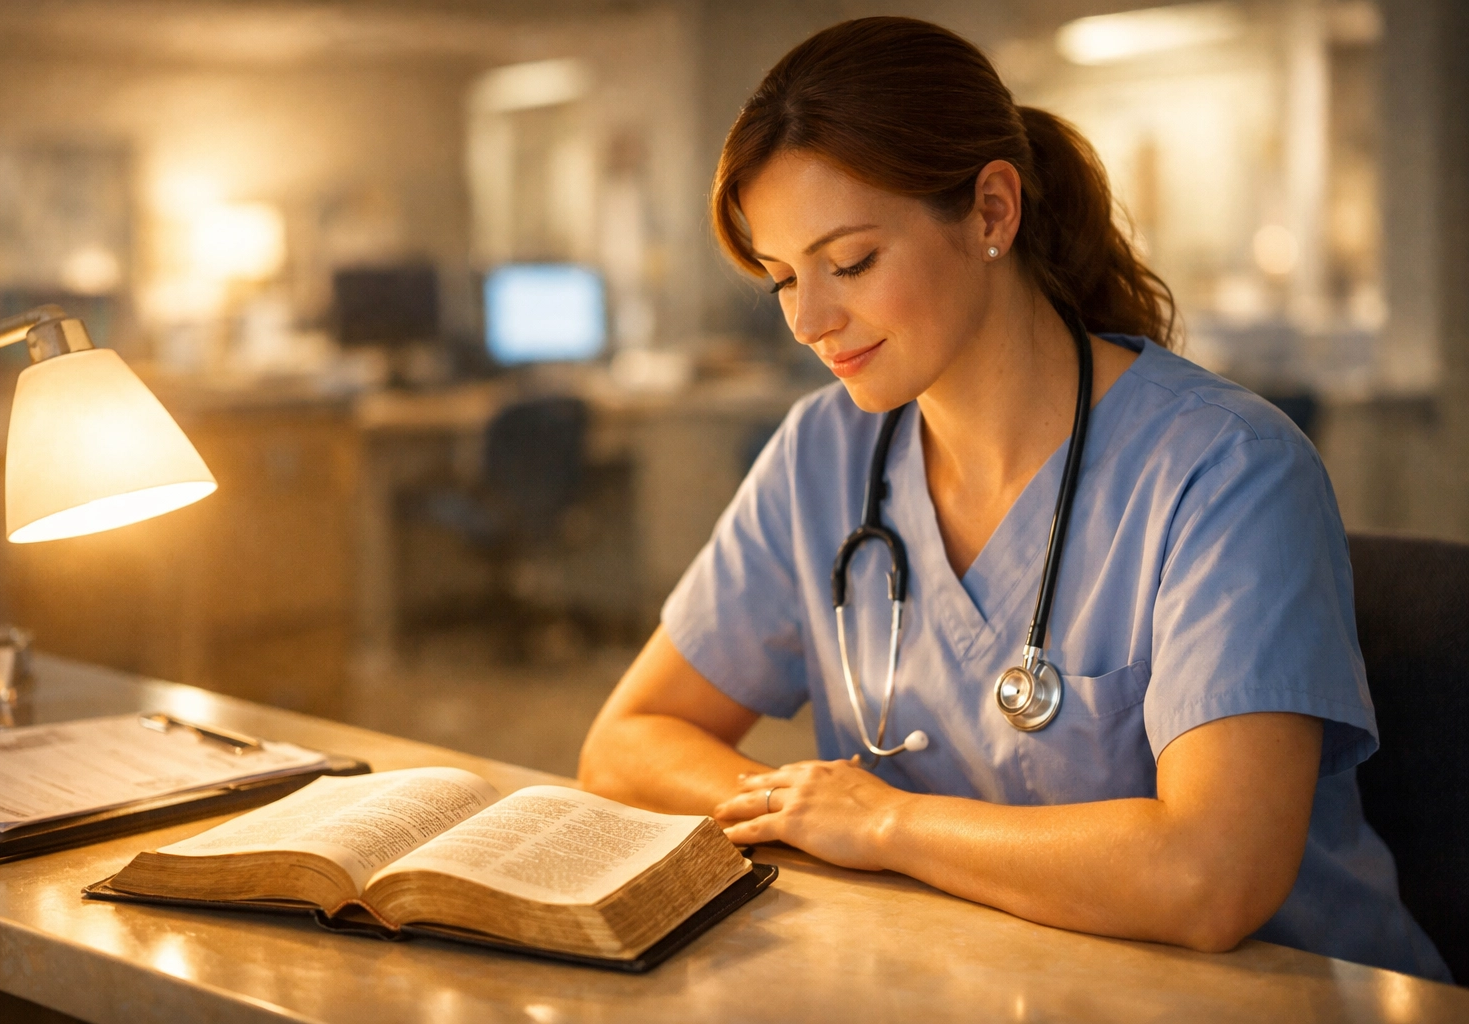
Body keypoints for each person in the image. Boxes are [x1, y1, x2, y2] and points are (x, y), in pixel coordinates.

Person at [577, 16, 1449, 981]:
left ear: (993, 211)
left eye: (852, 262)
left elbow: (1212, 875)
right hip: (981, 982)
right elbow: (625, 746)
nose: (810, 322)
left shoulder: (1226, 470)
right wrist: (804, 810)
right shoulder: (824, 456)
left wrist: (889, 823)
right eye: (782, 279)